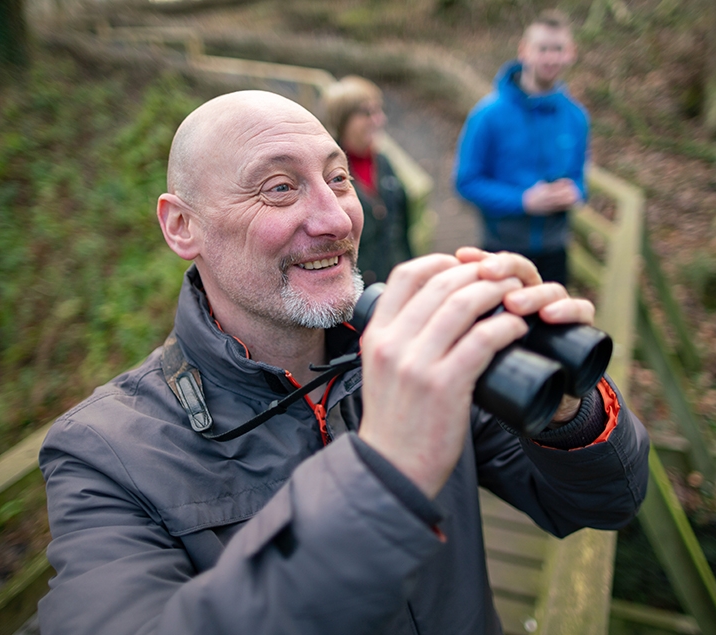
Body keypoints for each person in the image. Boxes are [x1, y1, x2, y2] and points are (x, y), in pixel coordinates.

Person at [37, 89, 649, 635]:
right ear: (182, 226)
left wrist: (568, 402)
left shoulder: (418, 354)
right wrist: (384, 475)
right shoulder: (103, 452)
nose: (335, 220)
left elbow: (602, 502)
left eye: (338, 180)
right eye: (279, 188)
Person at [454, 9, 587, 286]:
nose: (551, 58)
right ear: (524, 51)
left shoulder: (577, 117)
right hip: (501, 249)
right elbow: (466, 182)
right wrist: (523, 200)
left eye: (558, 49)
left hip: (555, 251)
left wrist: (575, 192)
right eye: (543, 49)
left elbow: (580, 177)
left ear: (570, 53)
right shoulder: (487, 115)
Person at [322, 75, 413, 285]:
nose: (378, 120)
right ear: (341, 119)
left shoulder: (383, 162)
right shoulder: (327, 172)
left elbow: (401, 228)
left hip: (393, 282)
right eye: (366, 113)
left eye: (378, 111)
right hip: (354, 291)